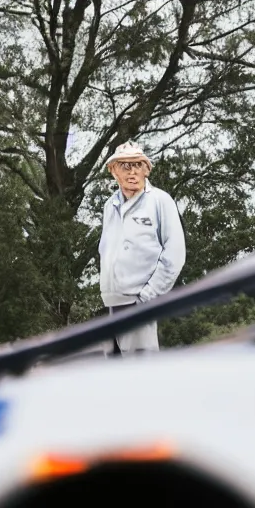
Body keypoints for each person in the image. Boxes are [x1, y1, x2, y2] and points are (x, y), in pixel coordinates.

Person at [98, 141, 186, 356]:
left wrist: (147, 297)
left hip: (139, 300)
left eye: (137, 165)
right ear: (113, 171)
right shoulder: (110, 205)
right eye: (125, 166)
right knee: (115, 374)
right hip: (111, 301)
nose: (132, 172)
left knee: (141, 373)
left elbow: (174, 254)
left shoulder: (159, 201)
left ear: (147, 169)